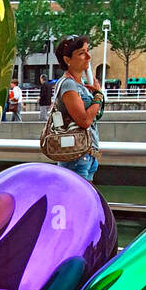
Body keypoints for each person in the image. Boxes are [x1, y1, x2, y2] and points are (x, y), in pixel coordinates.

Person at [50, 34, 104, 184]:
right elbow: (85, 120)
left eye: (87, 51)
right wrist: (98, 96)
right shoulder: (68, 85)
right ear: (67, 60)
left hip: (87, 156)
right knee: (76, 204)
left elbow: (93, 117)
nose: (88, 56)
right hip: (76, 157)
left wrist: (94, 95)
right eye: (81, 53)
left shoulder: (81, 86)